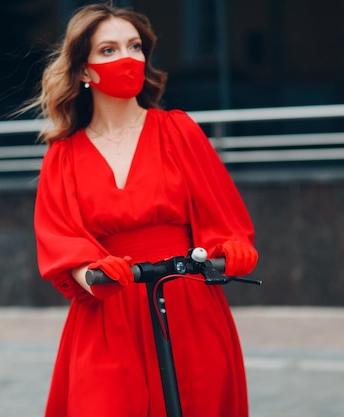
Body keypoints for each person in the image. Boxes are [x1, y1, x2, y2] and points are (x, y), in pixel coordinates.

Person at [31, 3, 258, 417]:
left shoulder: (178, 130)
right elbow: (59, 242)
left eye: (134, 47)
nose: (127, 58)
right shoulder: (62, 155)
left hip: (189, 306)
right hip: (108, 312)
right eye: (109, 50)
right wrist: (93, 273)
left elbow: (224, 218)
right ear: (84, 70)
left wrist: (232, 248)